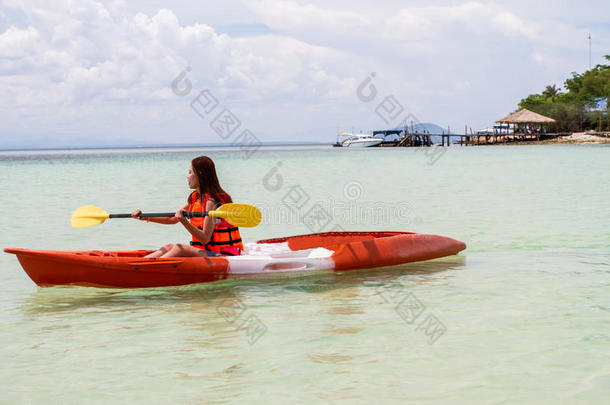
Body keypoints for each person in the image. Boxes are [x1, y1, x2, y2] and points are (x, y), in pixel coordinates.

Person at [132, 156, 243, 258]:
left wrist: (184, 221)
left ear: (200, 174)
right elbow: (172, 219)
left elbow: (205, 238)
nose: (187, 176)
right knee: (169, 246)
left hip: (223, 254)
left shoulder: (212, 202)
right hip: (206, 251)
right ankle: (137, 265)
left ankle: (146, 268)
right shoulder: (196, 198)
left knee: (180, 248)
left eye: (190, 172)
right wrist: (145, 217)